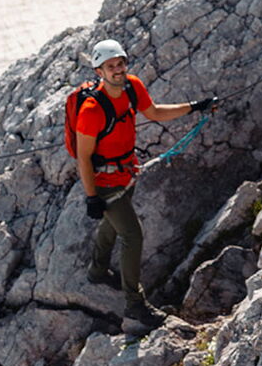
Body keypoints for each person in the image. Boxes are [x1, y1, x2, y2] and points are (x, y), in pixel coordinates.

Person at [73, 38, 218, 330]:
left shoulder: (132, 87)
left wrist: (195, 107)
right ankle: (135, 305)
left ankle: (98, 270)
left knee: (114, 223)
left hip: (126, 172)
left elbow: (153, 113)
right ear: (99, 71)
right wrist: (91, 196)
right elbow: (83, 157)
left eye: (121, 64)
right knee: (132, 236)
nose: (118, 70)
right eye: (111, 66)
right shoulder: (91, 111)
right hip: (105, 180)